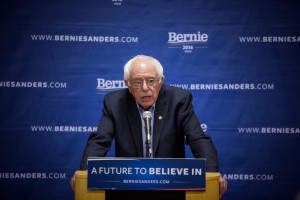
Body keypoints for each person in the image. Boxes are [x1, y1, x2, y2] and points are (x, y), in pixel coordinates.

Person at [71, 55, 227, 199]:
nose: (145, 88)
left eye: (151, 81)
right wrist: (84, 175)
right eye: (138, 82)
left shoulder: (179, 100)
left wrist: (212, 175)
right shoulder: (114, 102)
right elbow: (99, 141)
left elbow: (198, 139)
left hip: (171, 185)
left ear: (160, 81)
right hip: (128, 185)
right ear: (128, 85)